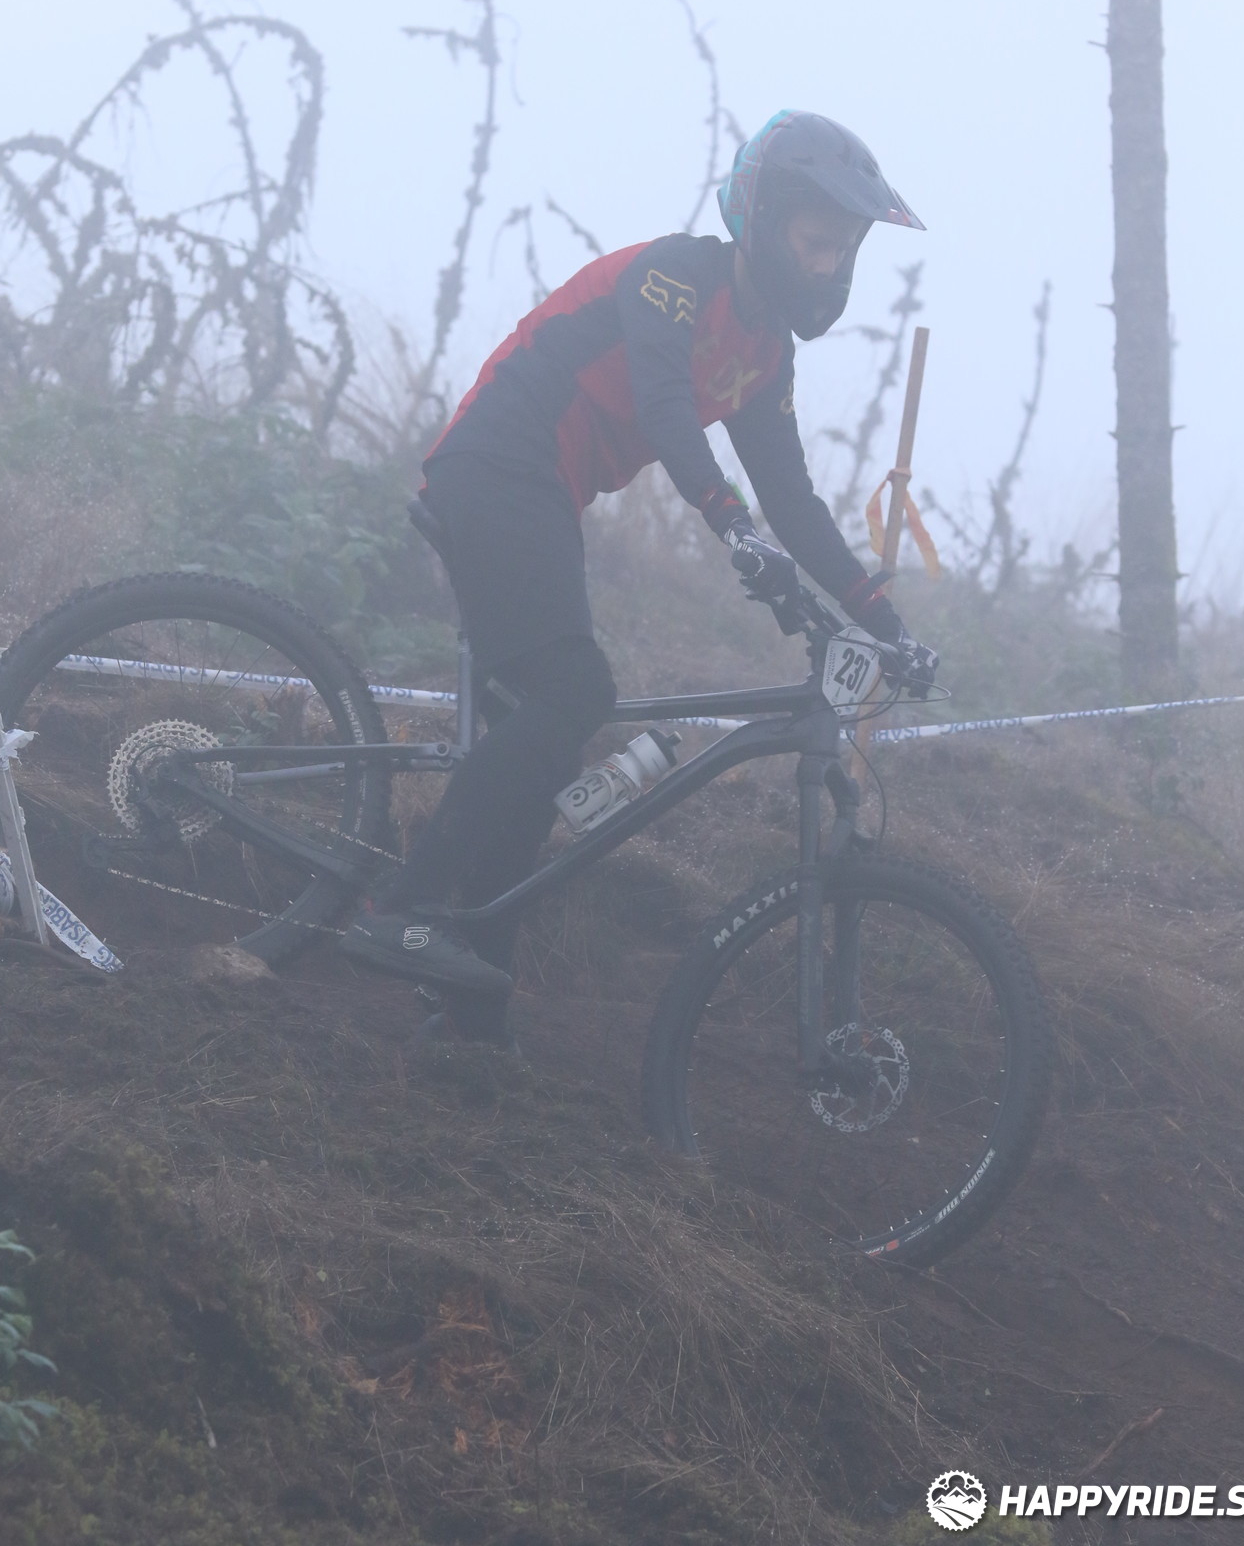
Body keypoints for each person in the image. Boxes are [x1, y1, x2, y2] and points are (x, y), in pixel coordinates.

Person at [341, 110, 937, 1040]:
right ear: (763, 218)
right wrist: (731, 529)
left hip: (544, 491)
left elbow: (793, 502)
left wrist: (887, 626)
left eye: (842, 251)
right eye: (815, 243)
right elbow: (664, 409)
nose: (828, 268)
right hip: (499, 461)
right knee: (576, 689)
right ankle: (400, 908)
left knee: (544, 746)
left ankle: (469, 1008)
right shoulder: (674, 278)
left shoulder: (765, 355)